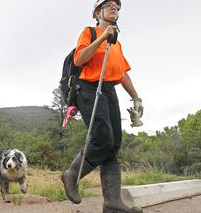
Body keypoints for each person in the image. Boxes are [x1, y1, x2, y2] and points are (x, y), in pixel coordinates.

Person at [61, 1, 144, 213]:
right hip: (87, 87)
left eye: (117, 6)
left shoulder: (117, 43)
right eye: (109, 5)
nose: (114, 7)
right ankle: (72, 174)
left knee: (113, 144)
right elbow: (80, 59)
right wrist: (102, 37)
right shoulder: (89, 32)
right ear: (98, 12)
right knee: (102, 137)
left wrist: (136, 98)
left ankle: (112, 203)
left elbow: (122, 72)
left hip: (108, 89)